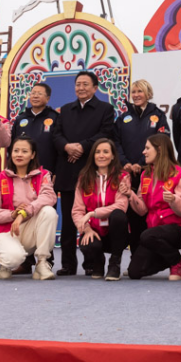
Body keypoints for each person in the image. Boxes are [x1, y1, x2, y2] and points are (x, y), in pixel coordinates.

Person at [52, 71, 116, 275]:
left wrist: (81, 147)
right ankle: (68, 265)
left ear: (95, 88)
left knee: (91, 217)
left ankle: (91, 264)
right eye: (78, 84)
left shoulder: (105, 109)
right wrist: (67, 147)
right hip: (68, 169)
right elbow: (56, 134)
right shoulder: (65, 110)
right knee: (71, 221)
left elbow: (105, 134)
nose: (81, 88)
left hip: (91, 170)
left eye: (85, 84)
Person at [0, 137, 60, 280]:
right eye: (16, 151)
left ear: (32, 155)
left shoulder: (43, 175)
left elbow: (49, 197)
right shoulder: (0, 178)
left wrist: (24, 212)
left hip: (27, 230)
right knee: (13, 259)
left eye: (24, 151)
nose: (19, 154)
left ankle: (42, 263)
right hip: (4, 231)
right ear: (10, 153)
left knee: (48, 212)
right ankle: (5, 263)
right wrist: (13, 214)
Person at [114, 79, 170, 253]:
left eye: (140, 91)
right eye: (134, 92)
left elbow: (162, 142)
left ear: (148, 94)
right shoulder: (123, 118)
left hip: (150, 173)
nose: (137, 95)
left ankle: (152, 254)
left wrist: (140, 163)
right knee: (132, 215)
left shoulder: (158, 115)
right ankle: (136, 256)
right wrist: (126, 163)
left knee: (149, 212)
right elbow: (115, 143)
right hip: (127, 173)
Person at [126, 134, 181, 280]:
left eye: (147, 148)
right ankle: (169, 258)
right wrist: (130, 194)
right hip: (153, 233)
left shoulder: (180, 174)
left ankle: (177, 262)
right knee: (134, 273)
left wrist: (174, 200)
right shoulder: (145, 175)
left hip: (175, 228)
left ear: (160, 150)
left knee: (147, 235)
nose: (144, 152)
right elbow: (142, 210)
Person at [73, 139, 131, 281]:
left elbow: (121, 205)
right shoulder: (84, 178)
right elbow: (77, 210)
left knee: (118, 215)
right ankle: (98, 261)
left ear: (112, 156)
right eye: (98, 152)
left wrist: (93, 213)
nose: (101, 155)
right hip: (94, 232)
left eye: (106, 152)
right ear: (93, 156)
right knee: (88, 243)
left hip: (115, 235)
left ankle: (114, 263)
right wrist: (86, 229)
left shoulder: (123, 176)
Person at [10, 82, 59, 176]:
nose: (35, 96)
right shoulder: (20, 118)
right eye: (33, 93)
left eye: (39, 94)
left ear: (47, 98)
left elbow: (59, 148)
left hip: (46, 171)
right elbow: (12, 145)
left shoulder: (55, 118)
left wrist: (56, 172)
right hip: (22, 171)